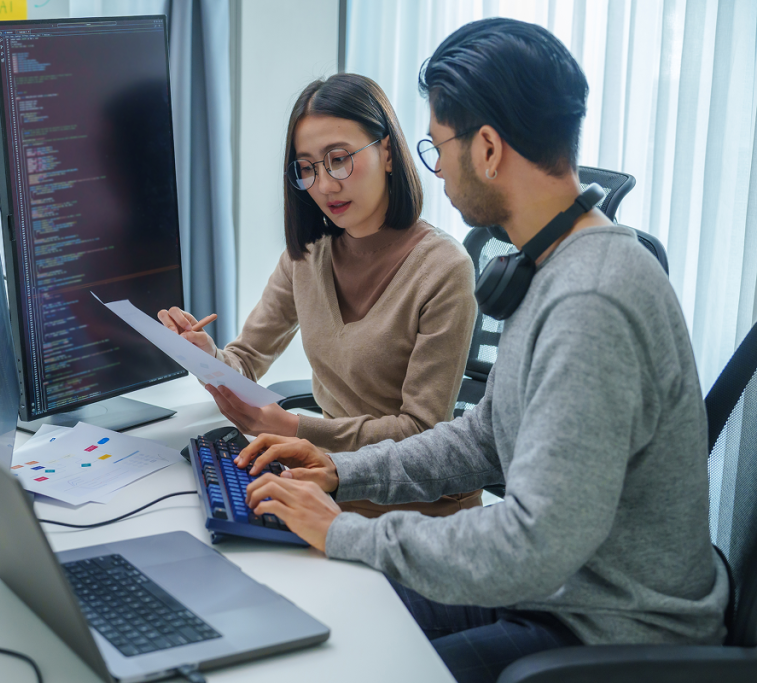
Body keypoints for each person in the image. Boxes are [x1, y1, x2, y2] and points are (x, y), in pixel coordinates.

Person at [233, 18, 729, 683]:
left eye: (437, 147)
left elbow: (533, 544)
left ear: (488, 149)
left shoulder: (591, 303)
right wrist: (340, 472)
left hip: (604, 630)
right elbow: (482, 440)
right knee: (335, 621)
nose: (434, 170)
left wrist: (346, 532)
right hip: (554, 596)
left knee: (359, 664)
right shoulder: (550, 265)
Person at [159, 74, 481, 518]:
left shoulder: (444, 269)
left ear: (386, 152)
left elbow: (420, 432)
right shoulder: (307, 257)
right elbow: (246, 358)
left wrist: (295, 427)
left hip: (417, 508)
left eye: (340, 159)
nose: (325, 185)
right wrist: (205, 355)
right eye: (307, 167)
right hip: (328, 485)